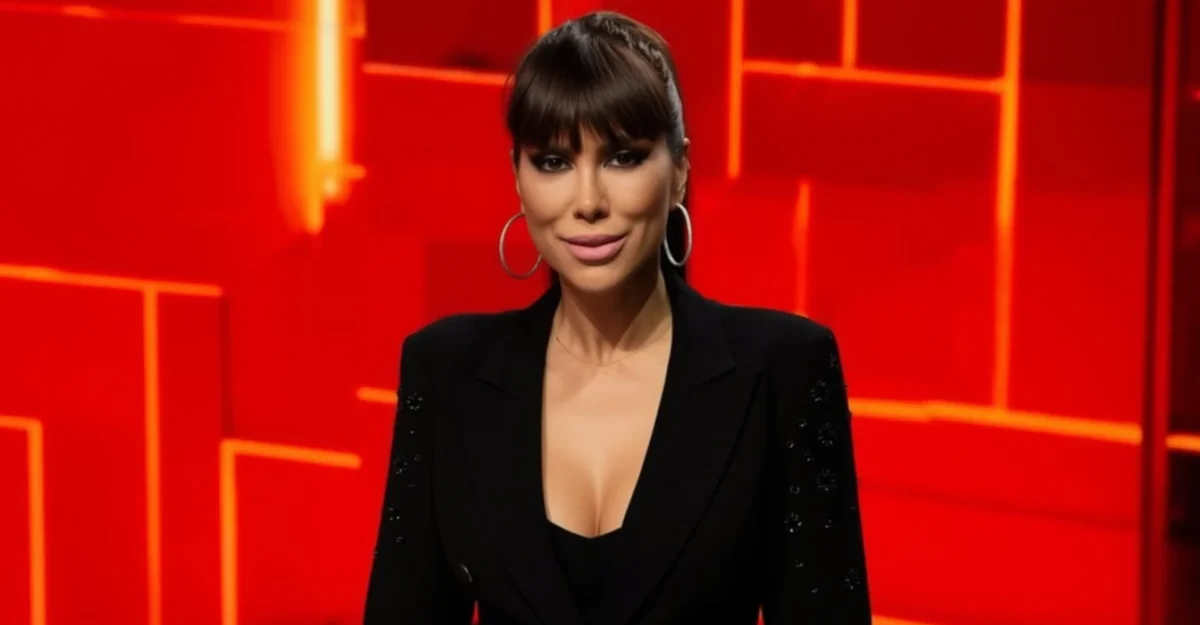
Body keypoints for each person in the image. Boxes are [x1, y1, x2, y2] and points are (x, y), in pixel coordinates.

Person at [363, 11, 870, 625]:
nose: (588, 202)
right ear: (518, 177)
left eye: (623, 158)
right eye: (553, 161)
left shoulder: (783, 371)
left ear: (679, 170)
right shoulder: (447, 372)